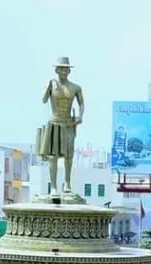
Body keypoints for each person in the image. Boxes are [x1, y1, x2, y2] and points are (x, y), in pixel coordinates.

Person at [36, 57, 84, 195]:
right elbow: (44, 100)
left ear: (69, 70)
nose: (63, 71)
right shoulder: (52, 83)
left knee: (69, 155)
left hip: (68, 123)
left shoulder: (75, 87)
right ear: (56, 70)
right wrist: (49, 86)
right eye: (61, 68)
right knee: (53, 157)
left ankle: (67, 183)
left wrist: (80, 116)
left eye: (66, 68)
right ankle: (54, 186)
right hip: (55, 123)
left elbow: (81, 103)